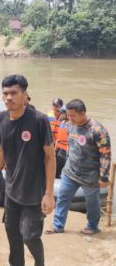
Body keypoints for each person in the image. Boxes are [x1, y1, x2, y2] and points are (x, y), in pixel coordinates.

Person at [0, 74, 56, 266]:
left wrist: (49, 194)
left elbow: (50, 157)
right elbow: (1, 150)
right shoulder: (0, 119)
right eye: (5, 93)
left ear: (24, 94)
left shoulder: (39, 120)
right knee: (13, 237)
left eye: (14, 93)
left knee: (30, 237)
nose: (9, 97)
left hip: (34, 193)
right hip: (11, 192)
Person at [46, 99, 111, 235]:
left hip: (90, 175)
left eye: (73, 115)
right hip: (70, 171)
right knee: (63, 197)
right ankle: (57, 225)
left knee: (92, 203)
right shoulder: (70, 125)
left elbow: (105, 155)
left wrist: (104, 176)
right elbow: (71, 147)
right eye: (68, 115)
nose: (69, 118)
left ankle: (92, 226)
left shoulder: (97, 130)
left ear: (83, 113)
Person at [54, 106, 68, 178]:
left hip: (68, 154)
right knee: (56, 173)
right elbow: (58, 139)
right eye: (61, 113)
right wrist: (54, 151)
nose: (61, 115)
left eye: (63, 113)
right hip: (60, 152)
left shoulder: (74, 125)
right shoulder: (62, 123)